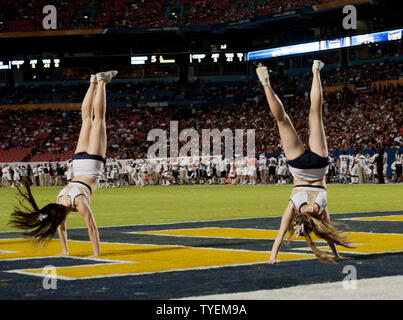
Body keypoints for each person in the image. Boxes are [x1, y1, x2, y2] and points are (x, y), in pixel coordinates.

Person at [8, 70, 118, 258]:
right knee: (85, 120)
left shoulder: (77, 202)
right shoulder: (59, 199)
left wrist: (96, 254)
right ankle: (92, 82)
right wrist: (64, 251)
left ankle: (101, 83)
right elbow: (61, 227)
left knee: (98, 120)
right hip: (78, 163)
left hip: (91, 168)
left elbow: (92, 227)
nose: (61, 224)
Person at [256, 61, 353, 264]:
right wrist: (272, 257)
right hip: (298, 166)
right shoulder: (295, 206)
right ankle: (265, 83)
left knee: (315, 113)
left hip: (319, 165)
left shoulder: (320, 210)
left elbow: (329, 237)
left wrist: (335, 254)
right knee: (281, 119)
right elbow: (280, 234)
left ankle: (316, 70)